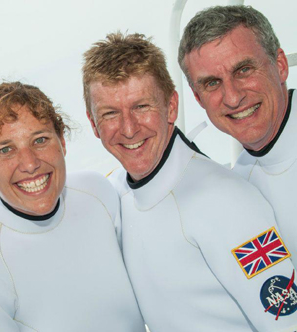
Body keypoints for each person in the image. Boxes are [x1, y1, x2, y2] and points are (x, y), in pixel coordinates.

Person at [83, 32, 297, 330]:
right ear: (93, 124)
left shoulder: (227, 200)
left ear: (172, 106)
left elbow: (287, 320)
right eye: (110, 114)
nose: (128, 129)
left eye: (142, 106)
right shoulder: (112, 195)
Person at [0, 82, 145, 332]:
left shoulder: (97, 192)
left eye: (40, 140)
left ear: (62, 141)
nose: (29, 163)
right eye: (6, 150)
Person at [179, 5, 296, 262]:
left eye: (243, 70)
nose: (233, 97)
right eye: (212, 83)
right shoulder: (238, 187)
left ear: (281, 65)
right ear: (198, 99)